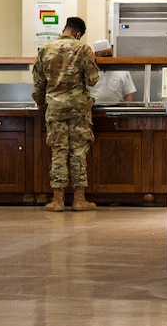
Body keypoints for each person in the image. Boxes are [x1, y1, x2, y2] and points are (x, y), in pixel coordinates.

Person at [34, 16, 100, 213]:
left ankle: (58, 201)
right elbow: (92, 80)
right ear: (78, 33)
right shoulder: (83, 49)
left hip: (55, 109)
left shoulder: (45, 49)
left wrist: (40, 105)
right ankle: (79, 200)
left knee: (58, 152)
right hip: (79, 109)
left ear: (65, 29)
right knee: (79, 153)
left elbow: (38, 85)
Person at [91, 39, 137, 104]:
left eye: (109, 54)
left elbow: (129, 95)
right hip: (94, 109)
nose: (107, 57)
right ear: (96, 55)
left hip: (116, 109)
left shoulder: (122, 71)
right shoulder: (89, 71)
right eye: (103, 54)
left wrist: (126, 110)